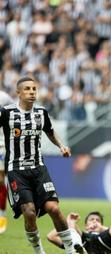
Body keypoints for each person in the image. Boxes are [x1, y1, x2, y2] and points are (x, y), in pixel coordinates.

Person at [0, 77, 83, 254]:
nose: (32, 92)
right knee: (29, 213)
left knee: (53, 208)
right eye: (27, 89)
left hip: (39, 169)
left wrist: (62, 146)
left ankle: (70, 248)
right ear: (19, 92)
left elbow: (50, 132)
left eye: (34, 89)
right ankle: (39, 251)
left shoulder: (41, 113)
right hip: (16, 171)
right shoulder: (7, 113)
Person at [47, 211, 111, 254]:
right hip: (84, 240)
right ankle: (78, 249)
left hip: (102, 240)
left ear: (101, 224)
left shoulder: (105, 233)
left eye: (97, 220)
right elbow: (51, 237)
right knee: (71, 224)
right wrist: (68, 221)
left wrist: (102, 228)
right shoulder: (81, 234)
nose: (94, 221)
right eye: (91, 220)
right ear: (86, 225)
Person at [0, 90, 14, 234]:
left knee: (1, 180)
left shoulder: (3, 97)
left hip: (2, 146)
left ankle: (2, 216)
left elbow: (15, 112)